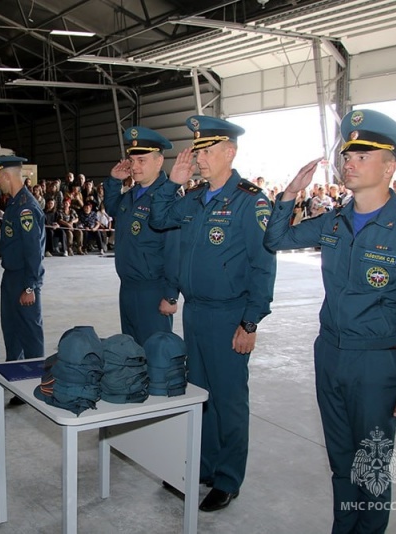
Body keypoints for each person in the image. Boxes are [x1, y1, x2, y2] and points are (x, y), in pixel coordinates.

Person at [264, 109, 396, 533]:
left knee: (372, 469)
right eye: (348, 154)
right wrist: (291, 192)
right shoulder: (334, 221)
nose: (350, 162)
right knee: (341, 463)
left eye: (363, 155)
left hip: (376, 365)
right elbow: (275, 239)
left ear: (390, 165)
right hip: (329, 355)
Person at [149, 116, 276, 512]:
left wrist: (250, 321)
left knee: (229, 399)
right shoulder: (194, 197)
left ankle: (228, 478)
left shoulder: (250, 201)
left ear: (229, 152)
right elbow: (158, 218)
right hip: (196, 312)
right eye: (197, 151)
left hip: (229, 314)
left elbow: (263, 265)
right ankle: (202, 467)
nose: (199, 158)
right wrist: (173, 182)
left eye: (206, 151)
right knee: (199, 394)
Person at [105, 125, 179, 346]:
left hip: (153, 291)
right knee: (132, 352)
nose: (134, 167)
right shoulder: (132, 194)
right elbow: (112, 208)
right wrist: (114, 181)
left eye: (142, 161)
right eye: (132, 160)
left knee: (155, 352)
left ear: (158, 162)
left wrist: (171, 294)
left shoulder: (167, 198)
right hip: (127, 286)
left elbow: (173, 251)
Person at [0, 156, 45, 383]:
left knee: (30, 331)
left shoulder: (26, 208)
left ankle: (35, 378)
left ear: (6, 176)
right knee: (11, 328)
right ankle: (15, 372)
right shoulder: (13, 203)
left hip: (24, 277)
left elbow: (34, 252)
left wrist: (31, 286)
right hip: (11, 274)